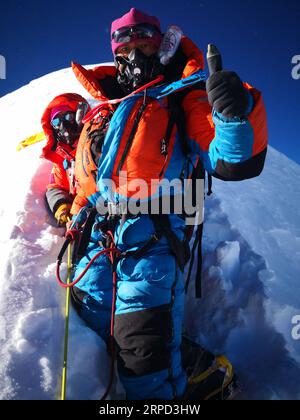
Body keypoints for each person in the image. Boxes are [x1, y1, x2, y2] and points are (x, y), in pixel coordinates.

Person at [69, 8, 268, 399]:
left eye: (144, 39)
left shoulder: (183, 96)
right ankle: (187, 361)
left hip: (151, 239)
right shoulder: (103, 108)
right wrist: (77, 219)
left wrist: (231, 117)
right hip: (97, 240)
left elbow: (229, 157)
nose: (134, 49)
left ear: (159, 43)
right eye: (123, 42)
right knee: (95, 317)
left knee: (143, 355)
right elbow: (86, 185)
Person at [41, 93, 90, 225]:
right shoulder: (61, 158)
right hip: (78, 221)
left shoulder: (96, 145)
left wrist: (77, 211)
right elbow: (56, 186)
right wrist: (61, 205)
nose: (63, 125)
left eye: (68, 116)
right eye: (56, 122)